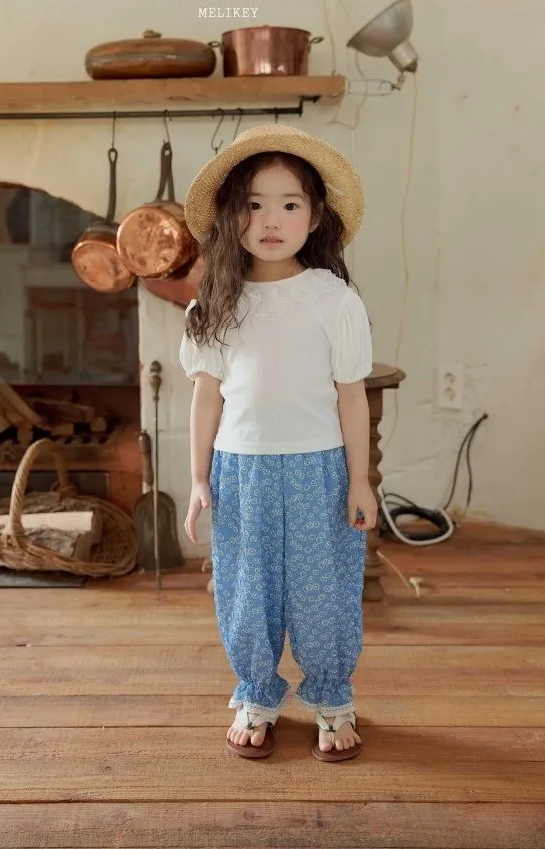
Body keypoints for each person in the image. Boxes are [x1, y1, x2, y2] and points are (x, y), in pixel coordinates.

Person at [179, 123, 377, 763]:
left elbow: (352, 396)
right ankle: (257, 694)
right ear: (230, 217)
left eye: (289, 204)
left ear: (315, 217)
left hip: (320, 470)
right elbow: (206, 398)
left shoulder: (333, 299)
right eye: (254, 204)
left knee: (325, 592)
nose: (271, 220)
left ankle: (332, 696)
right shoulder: (214, 303)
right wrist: (199, 478)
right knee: (246, 592)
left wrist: (360, 480)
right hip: (242, 471)